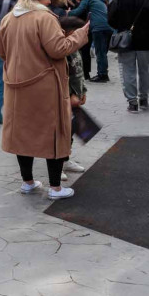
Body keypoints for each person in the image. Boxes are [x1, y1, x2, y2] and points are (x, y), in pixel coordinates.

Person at [0, 0, 90, 199]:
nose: (50, 2)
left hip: (16, 86)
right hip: (45, 87)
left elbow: (2, 51)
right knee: (54, 133)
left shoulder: (9, 18)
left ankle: (28, 182)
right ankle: (56, 188)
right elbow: (59, 50)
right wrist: (80, 35)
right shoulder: (44, 18)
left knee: (22, 133)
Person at [107, 0, 149, 113]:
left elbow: (111, 19)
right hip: (146, 41)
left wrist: (122, 27)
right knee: (145, 71)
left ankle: (132, 102)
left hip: (126, 42)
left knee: (127, 71)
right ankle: (144, 98)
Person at [59, 15, 89, 176]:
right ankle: (57, 164)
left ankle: (65, 159)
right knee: (60, 131)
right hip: (64, 96)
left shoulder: (74, 48)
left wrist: (82, 91)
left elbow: (79, 71)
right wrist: (70, 94)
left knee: (70, 129)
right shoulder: (61, 49)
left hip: (75, 95)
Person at [69, 0, 114, 83]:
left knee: (100, 52)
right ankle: (104, 73)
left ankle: (102, 75)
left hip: (99, 28)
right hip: (108, 27)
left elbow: (78, 11)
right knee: (103, 52)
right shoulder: (102, 0)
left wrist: (67, 13)